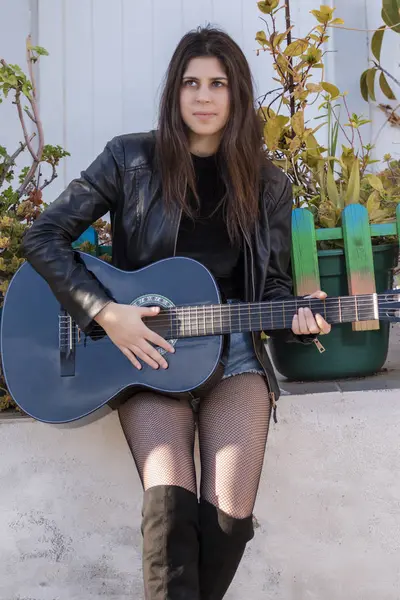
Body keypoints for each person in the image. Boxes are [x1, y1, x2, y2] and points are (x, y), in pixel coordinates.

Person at [22, 26, 331, 600]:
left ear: (237, 94)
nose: (204, 96)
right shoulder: (129, 159)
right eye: (191, 83)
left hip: (232, 352)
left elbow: (274, 290)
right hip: (142, 353)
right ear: (174, 92)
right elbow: (43, 237)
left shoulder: (267, 185)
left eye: (218, 83)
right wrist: (103, 313)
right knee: (169, 502)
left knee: (229, 514)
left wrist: (296, 311)